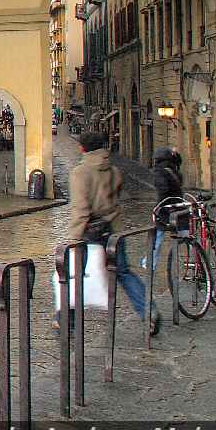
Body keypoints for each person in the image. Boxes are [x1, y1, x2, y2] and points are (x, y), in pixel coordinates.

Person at [64, 131, 159, 335]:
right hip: (112, 228)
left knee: (74, 273)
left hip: (89, 232)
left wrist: (73, 237)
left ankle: (65, 317)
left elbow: (81, 208)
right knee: (123, 272)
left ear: (82, 148)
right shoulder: (113, 170)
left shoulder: (80, 172)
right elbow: (116, 197)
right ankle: (148, 311)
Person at [144, 147, 186, 269]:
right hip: (180, 207)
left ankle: (150, 263)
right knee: (184, 235)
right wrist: (176, 154)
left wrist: (159, 207)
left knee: (157, 235)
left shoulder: (159, 172)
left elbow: (163, 190)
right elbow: (179, 162)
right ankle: (193, 258)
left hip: (166, 208)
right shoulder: (175, 170)